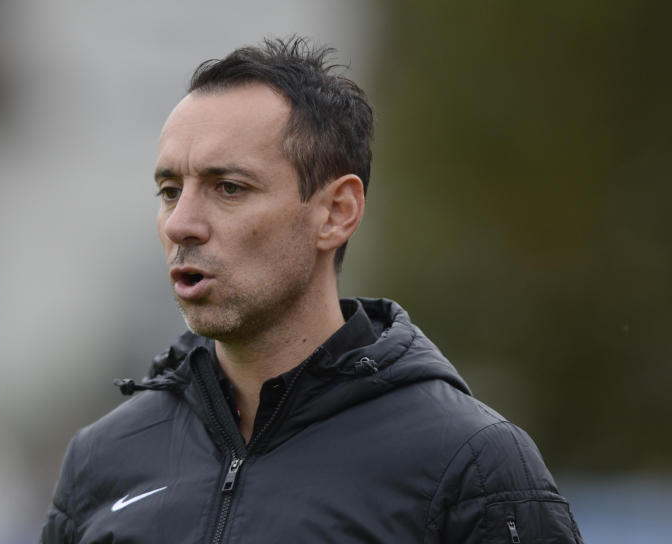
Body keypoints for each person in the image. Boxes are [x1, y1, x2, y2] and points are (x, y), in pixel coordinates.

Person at [40, 37, 583, 543]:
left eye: (228, 188)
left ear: (336, 213)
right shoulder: (102, 459)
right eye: (169, 190)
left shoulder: (469, 465)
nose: (181, 223)